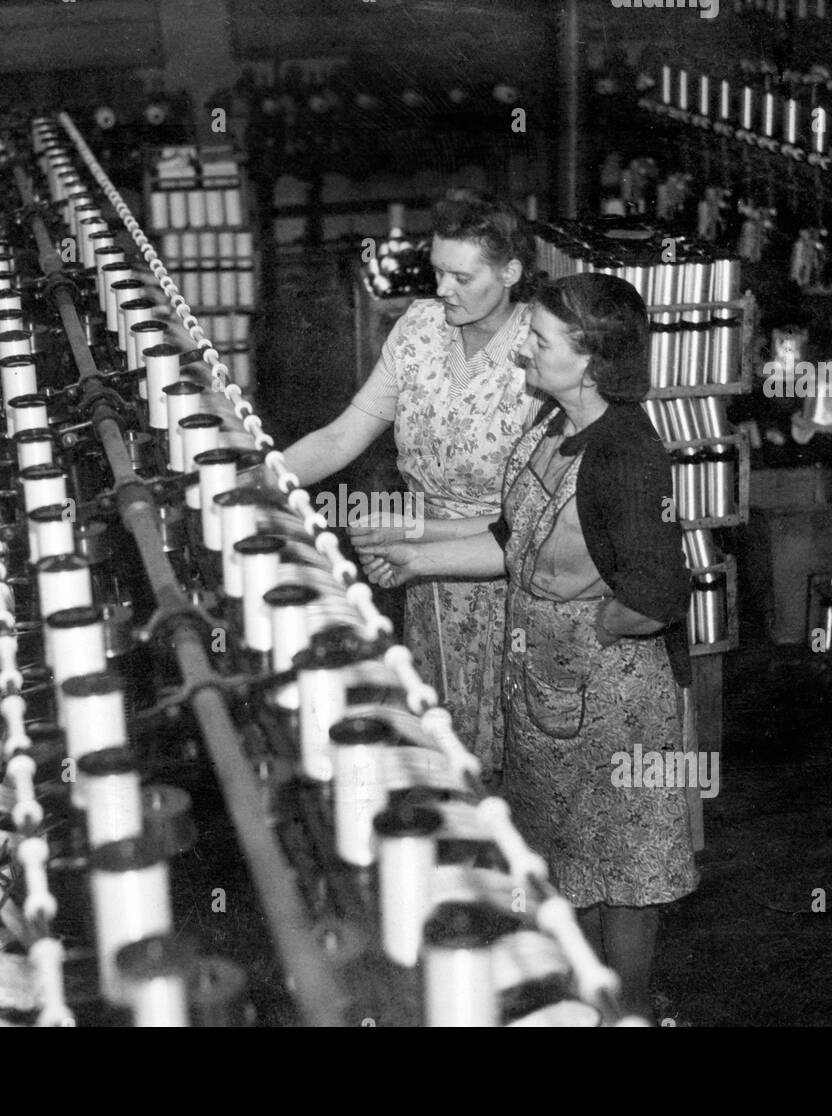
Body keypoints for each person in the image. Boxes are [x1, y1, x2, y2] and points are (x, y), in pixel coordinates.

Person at [358, 273, 699, 1018]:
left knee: (625, 870)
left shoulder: (626, 454)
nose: (525, 356)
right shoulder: (554, 426)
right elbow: (516, 542)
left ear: (590, 358)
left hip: (615, 700)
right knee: (559, 855)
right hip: (547, 687)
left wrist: (588, 630)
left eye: (541, 343)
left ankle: (632, 1010)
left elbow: (659, 595)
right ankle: (571, 999)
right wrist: (412, 554)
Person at [281, 190, 539, 778]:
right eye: (437, 272)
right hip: (423, 572)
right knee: (441, 734)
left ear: (510, 273)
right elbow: (342, 438)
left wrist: (414, 534)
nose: (442, 288)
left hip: (508, 577)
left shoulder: (540, 353)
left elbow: (526, 519)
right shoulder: (420, 328)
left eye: (460, 276)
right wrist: (255, 477)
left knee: (510, 754)